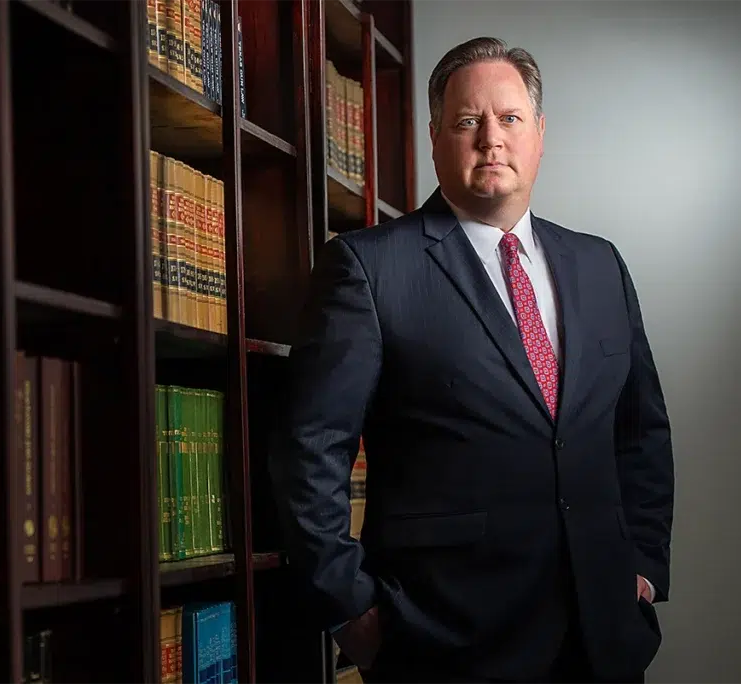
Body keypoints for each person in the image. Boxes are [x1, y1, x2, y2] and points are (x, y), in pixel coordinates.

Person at [267, 36, 674, 684]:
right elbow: (309, 450)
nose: (492, 139)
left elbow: (641, 429)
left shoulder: (601, 265)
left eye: (510, 118)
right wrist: (350, 610)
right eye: (467, 121)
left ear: (540, 134)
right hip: (444, 641)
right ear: (435, 138)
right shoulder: (370, 268)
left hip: (604, 634)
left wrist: (646, 562)